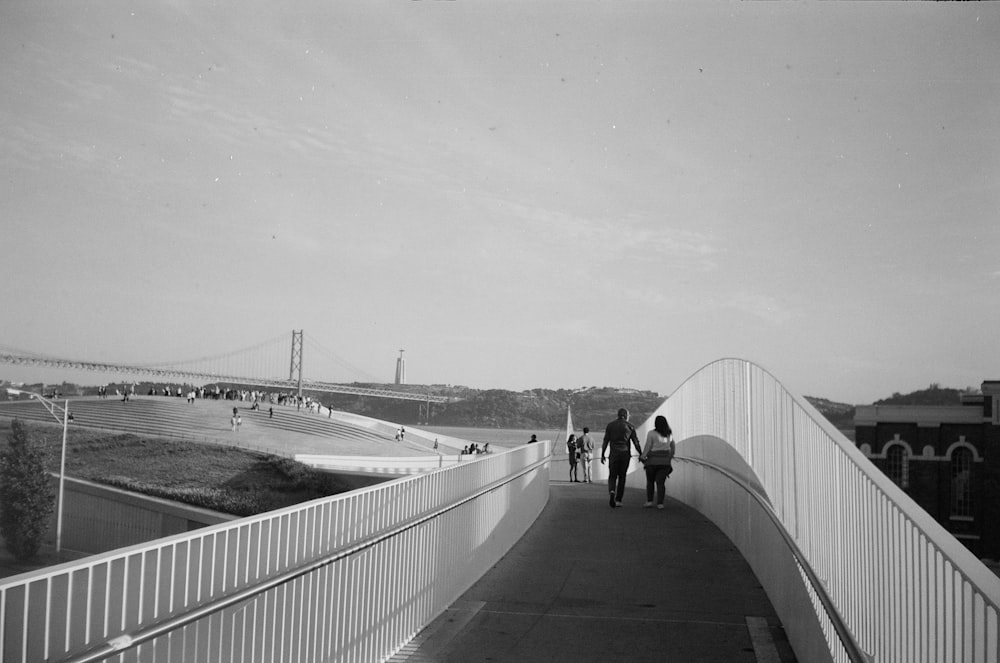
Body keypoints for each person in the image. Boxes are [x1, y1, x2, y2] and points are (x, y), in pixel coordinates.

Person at [601, 408, 642, 508]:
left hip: (613, 454)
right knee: (622, 477)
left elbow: (606, 441)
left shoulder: (610, 425)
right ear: (626, 415)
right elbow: (636, 442)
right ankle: (618, 499)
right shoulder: (630, 426)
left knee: (612, 475)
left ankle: (611, 491)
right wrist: (641, 453)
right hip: (625, 454)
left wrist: (602, 454)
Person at [640, 415, 676, 509]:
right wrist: (669, 458)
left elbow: (648, 446)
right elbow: (672, 447)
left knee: (650, 481)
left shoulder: (651, 433)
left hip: (652, 461)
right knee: (661, 483)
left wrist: (643, 456)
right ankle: (660, 503)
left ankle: (649, 501)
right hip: (664, 462)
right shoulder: (669, 434)